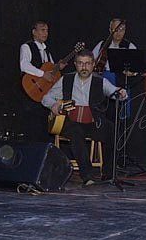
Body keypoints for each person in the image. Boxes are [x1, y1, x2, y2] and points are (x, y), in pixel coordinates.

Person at [42, 50, 126, 186]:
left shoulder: (101, 81)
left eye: (87, 63)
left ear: (93, 65)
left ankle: (108, 173)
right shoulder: (66, 80)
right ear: (75, 64)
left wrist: (121, 93)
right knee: (75, 132)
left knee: (112, 130)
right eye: (80, 63)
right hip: (72, 122)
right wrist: (53, 105)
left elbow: (115, 92)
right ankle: (87, 176)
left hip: (93, 123)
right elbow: (46, 98)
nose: (84, 67)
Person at [19, 21, 63, 142]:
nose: (46, 33)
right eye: (42, 30)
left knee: (43, 128)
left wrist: (58, 67)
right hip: (30, 92)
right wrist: (43, 74)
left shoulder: (47, 52)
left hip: (43, 94)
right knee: (32, 127)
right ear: (34, 32)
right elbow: (24, 65)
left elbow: (51, 70)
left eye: (47, 30)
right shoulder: (27, 47)